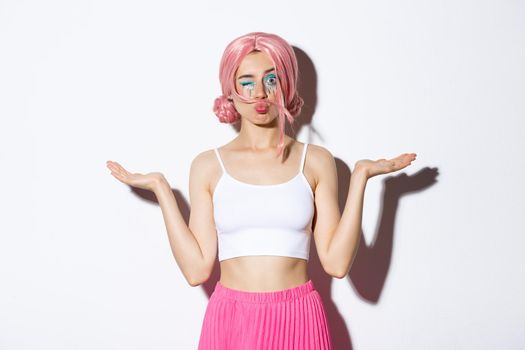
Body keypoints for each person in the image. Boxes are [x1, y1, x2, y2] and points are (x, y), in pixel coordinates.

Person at [106, 32, 416, 350]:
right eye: (247, 81)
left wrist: (362, 177)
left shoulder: (316, 161)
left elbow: (336, 264)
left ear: (286, 85)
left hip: (299, 317)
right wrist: (161, 189)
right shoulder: (208, 166)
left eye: (271, 80)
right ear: (230, 89)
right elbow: (197, 269)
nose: (260, 94)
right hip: (231, 318)